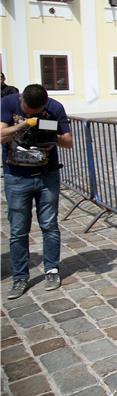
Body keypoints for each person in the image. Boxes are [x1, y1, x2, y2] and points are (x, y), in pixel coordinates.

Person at [1, 84, 72, 300]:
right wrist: (23, 126)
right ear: (22, 101)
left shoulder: (55, 108)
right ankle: (20, 276)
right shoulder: (8, 103)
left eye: (36, 112)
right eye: (28, 112)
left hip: (46, 176)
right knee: (18, 230)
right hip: (17, 177)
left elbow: (68, 142)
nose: (32, 114)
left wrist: (52, 135)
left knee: (50, 225)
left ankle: (52, 270)